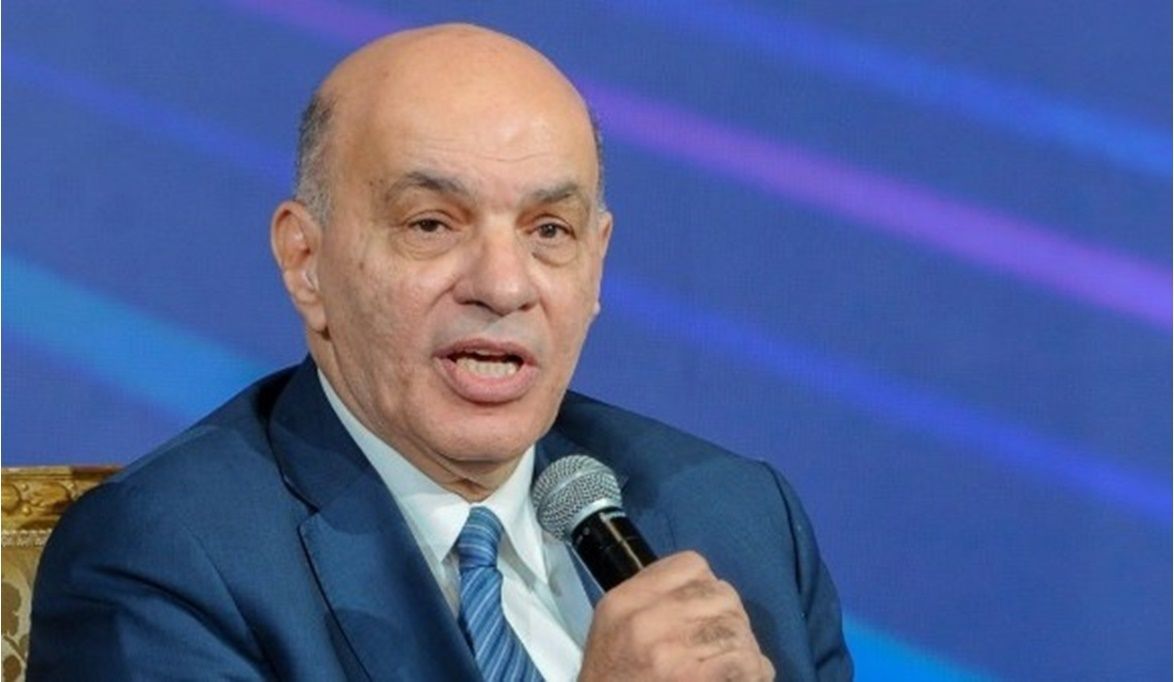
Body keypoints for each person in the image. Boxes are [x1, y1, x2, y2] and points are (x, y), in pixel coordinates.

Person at [29, 23, 852, 681]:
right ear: (306, 261)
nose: (503, 285)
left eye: (549, 231)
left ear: (597, 264)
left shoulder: (739, 518)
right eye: (431, 224)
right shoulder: (166, 558)